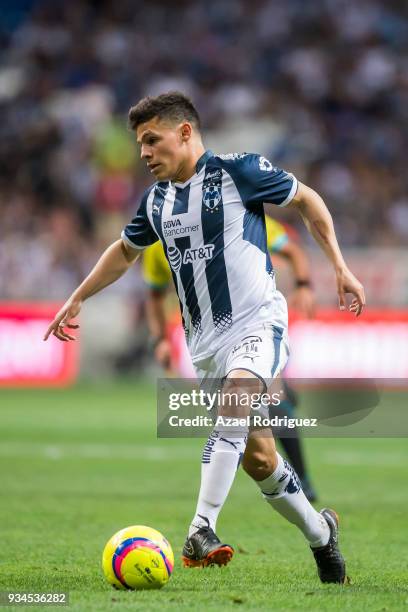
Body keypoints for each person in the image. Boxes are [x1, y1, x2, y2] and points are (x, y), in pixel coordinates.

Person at [44, 92, 365, 584]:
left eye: (152, 140)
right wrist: (79, 295)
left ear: (186, 132)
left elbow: (307, 199)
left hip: (258, 323)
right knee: (260, 458)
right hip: (206, 347)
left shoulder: (239, 172)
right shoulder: (156, 200)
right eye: (140, 145)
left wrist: (339, 267)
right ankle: (322, 536)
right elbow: (125, 251)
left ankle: (201, 528)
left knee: (237, 404)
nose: (145, 153)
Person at [142, 216, 319, 501]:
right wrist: (159, 338)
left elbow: (293, 251)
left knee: (271, 402)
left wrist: (303, 284)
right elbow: (154, 294)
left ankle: (301, 481)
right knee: (242, 420)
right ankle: (281, 479)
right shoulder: (159, 240)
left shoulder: (237, 215)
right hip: (207, 341)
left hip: (252, 327)